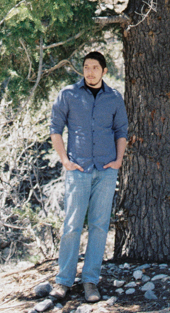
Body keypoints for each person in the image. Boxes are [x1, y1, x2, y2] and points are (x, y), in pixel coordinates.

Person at [49, 51, 128, 303]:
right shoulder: (68, 95)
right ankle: (63, 282)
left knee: (99, 226)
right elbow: (55, 129)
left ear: (104, 71)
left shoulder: (114, 98)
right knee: (72, 225)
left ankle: (90, 282)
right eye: (86, 67)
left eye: (95, 67)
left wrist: (118, 161)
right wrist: (65, 160)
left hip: (106, 171)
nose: (90, 71)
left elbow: (121, 131)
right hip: (78, 170)